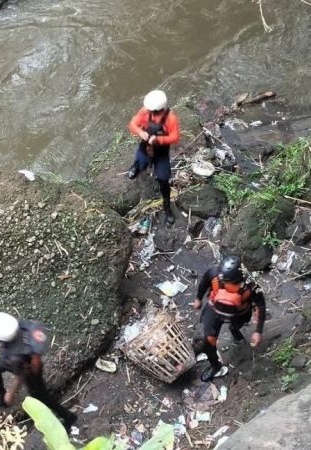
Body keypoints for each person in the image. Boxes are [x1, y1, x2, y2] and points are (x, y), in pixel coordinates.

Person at [0, 312, 77, 429]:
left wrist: (10, 394)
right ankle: (0, 395)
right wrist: (34, 359)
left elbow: (20, 376)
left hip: (25, 368)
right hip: (25, 359)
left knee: (41, 395)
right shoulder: (24, 326)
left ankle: (68, 417)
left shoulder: (14, 358)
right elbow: (36, 346)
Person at [192, 255, 266, 382]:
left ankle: (234, 331)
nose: (224, 282)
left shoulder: (251, 286)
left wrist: (258, 331)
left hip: (239, 313)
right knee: (208, 341)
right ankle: (215, 366)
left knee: (235, 326)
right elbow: (204, 281)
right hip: (215, 309)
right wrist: (198, 298)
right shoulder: (214, 273)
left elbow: (261, 305)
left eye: (228, 281)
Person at [127, 90, 181, 225]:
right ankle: (136, 166)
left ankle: (167, 207)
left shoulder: (171, 119)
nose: (152, 114)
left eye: (155, 112)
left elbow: (175, 137)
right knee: (140, 160)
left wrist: (159, 140)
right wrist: (140, 132)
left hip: (161, 152)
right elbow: (132, 124)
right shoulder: (145, 111)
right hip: (145, 145)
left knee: (163, 179)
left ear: (162, 109)